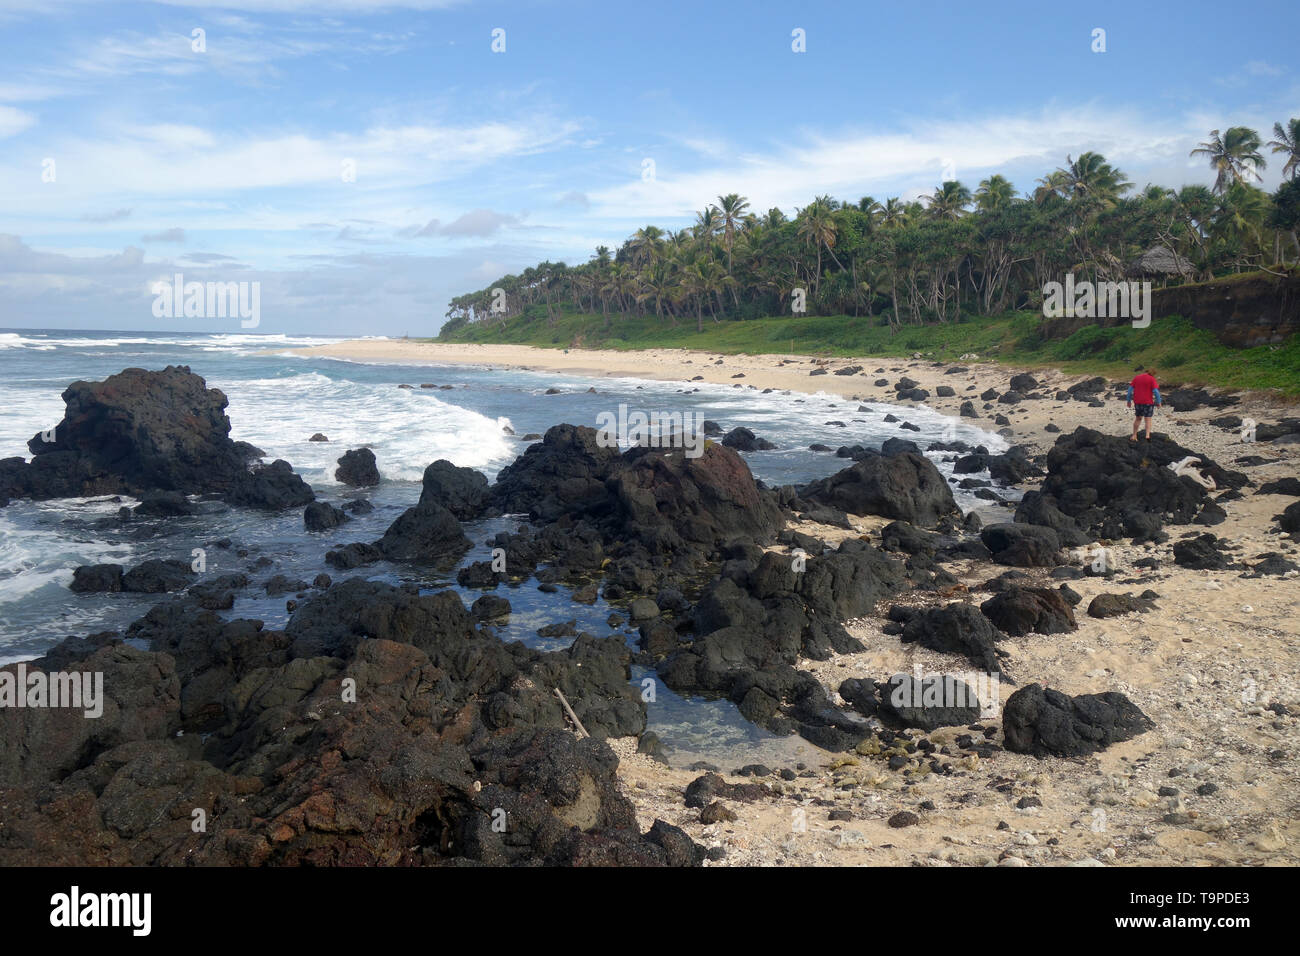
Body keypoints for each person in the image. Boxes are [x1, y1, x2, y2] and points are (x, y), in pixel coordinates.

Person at [1126, 367, 1162, 441]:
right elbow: (1156, 392)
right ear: (1152, 373)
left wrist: (1128, 401)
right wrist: (1158, 402)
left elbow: (1129, 391)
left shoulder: (1136, 378)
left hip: (1138, 402)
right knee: (1148, 419)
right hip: (1148, 402)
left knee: (1138, 418)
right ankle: (1147, 436)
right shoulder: (1152, 379)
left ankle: (1134, 435)